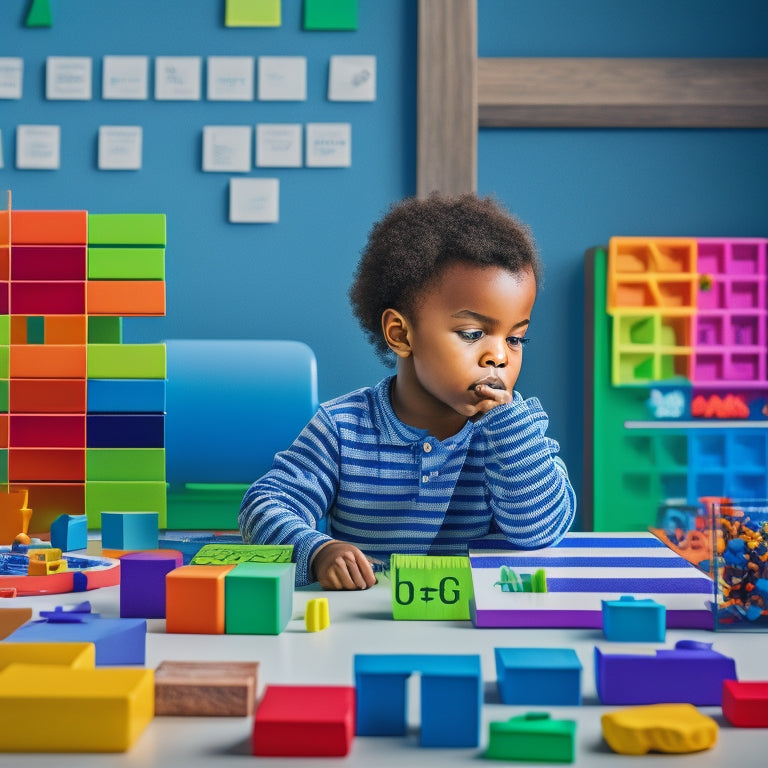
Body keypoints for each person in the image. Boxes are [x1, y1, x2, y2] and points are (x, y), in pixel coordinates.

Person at [239, 193, 576, 589]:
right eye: (472, 334)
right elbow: (262, 507)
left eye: (517, 339)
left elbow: (540, 532)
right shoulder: (343, 428)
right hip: (369, 625)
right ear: (401, 334)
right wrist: (316, 551)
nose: (498, 356)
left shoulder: (516, 433)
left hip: (478, 626)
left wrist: (509, 432)